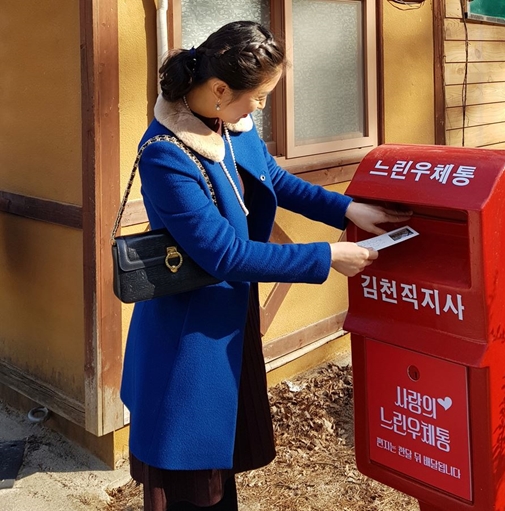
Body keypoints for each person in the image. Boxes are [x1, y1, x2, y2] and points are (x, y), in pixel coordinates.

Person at [120, 20, 411, 511]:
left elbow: (272, 177)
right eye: (258, 97)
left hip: (228, 324)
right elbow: (225, 254)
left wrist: (346, 209)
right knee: (193, 479)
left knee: (221, 461)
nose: (261, 107)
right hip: (188, 342)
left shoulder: (228, 124)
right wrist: (327, 256)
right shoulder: (166, 155)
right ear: (218, 89)